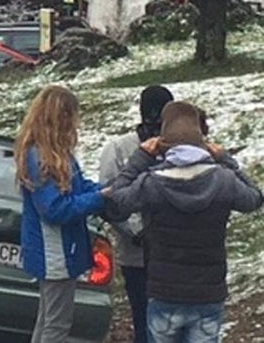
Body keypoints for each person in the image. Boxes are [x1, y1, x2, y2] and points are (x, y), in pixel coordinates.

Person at [106, 101, 263, 343]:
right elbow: (255, 198)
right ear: (203, 143)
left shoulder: (151, 183)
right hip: (208, 292)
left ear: (162, 141)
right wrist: (227, 160)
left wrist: (140, 159)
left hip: (164, 290)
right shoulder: (225, 181)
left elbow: (117, 203)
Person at [15, 85, 107, 343]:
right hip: (55, 251)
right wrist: (98, 199)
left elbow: (78, 185)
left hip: (60, 249)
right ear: (61, 117)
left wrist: (104, 190)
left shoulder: (57, 153)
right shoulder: (40, 157)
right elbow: (54, 209)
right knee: (57, 326)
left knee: (47, 320)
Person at [98, 85, 174, 343]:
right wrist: (134, 232)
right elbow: (110, 197)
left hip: (173, 254)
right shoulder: (119, 149)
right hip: (136, 254)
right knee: (143, 319)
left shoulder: (180, 148)